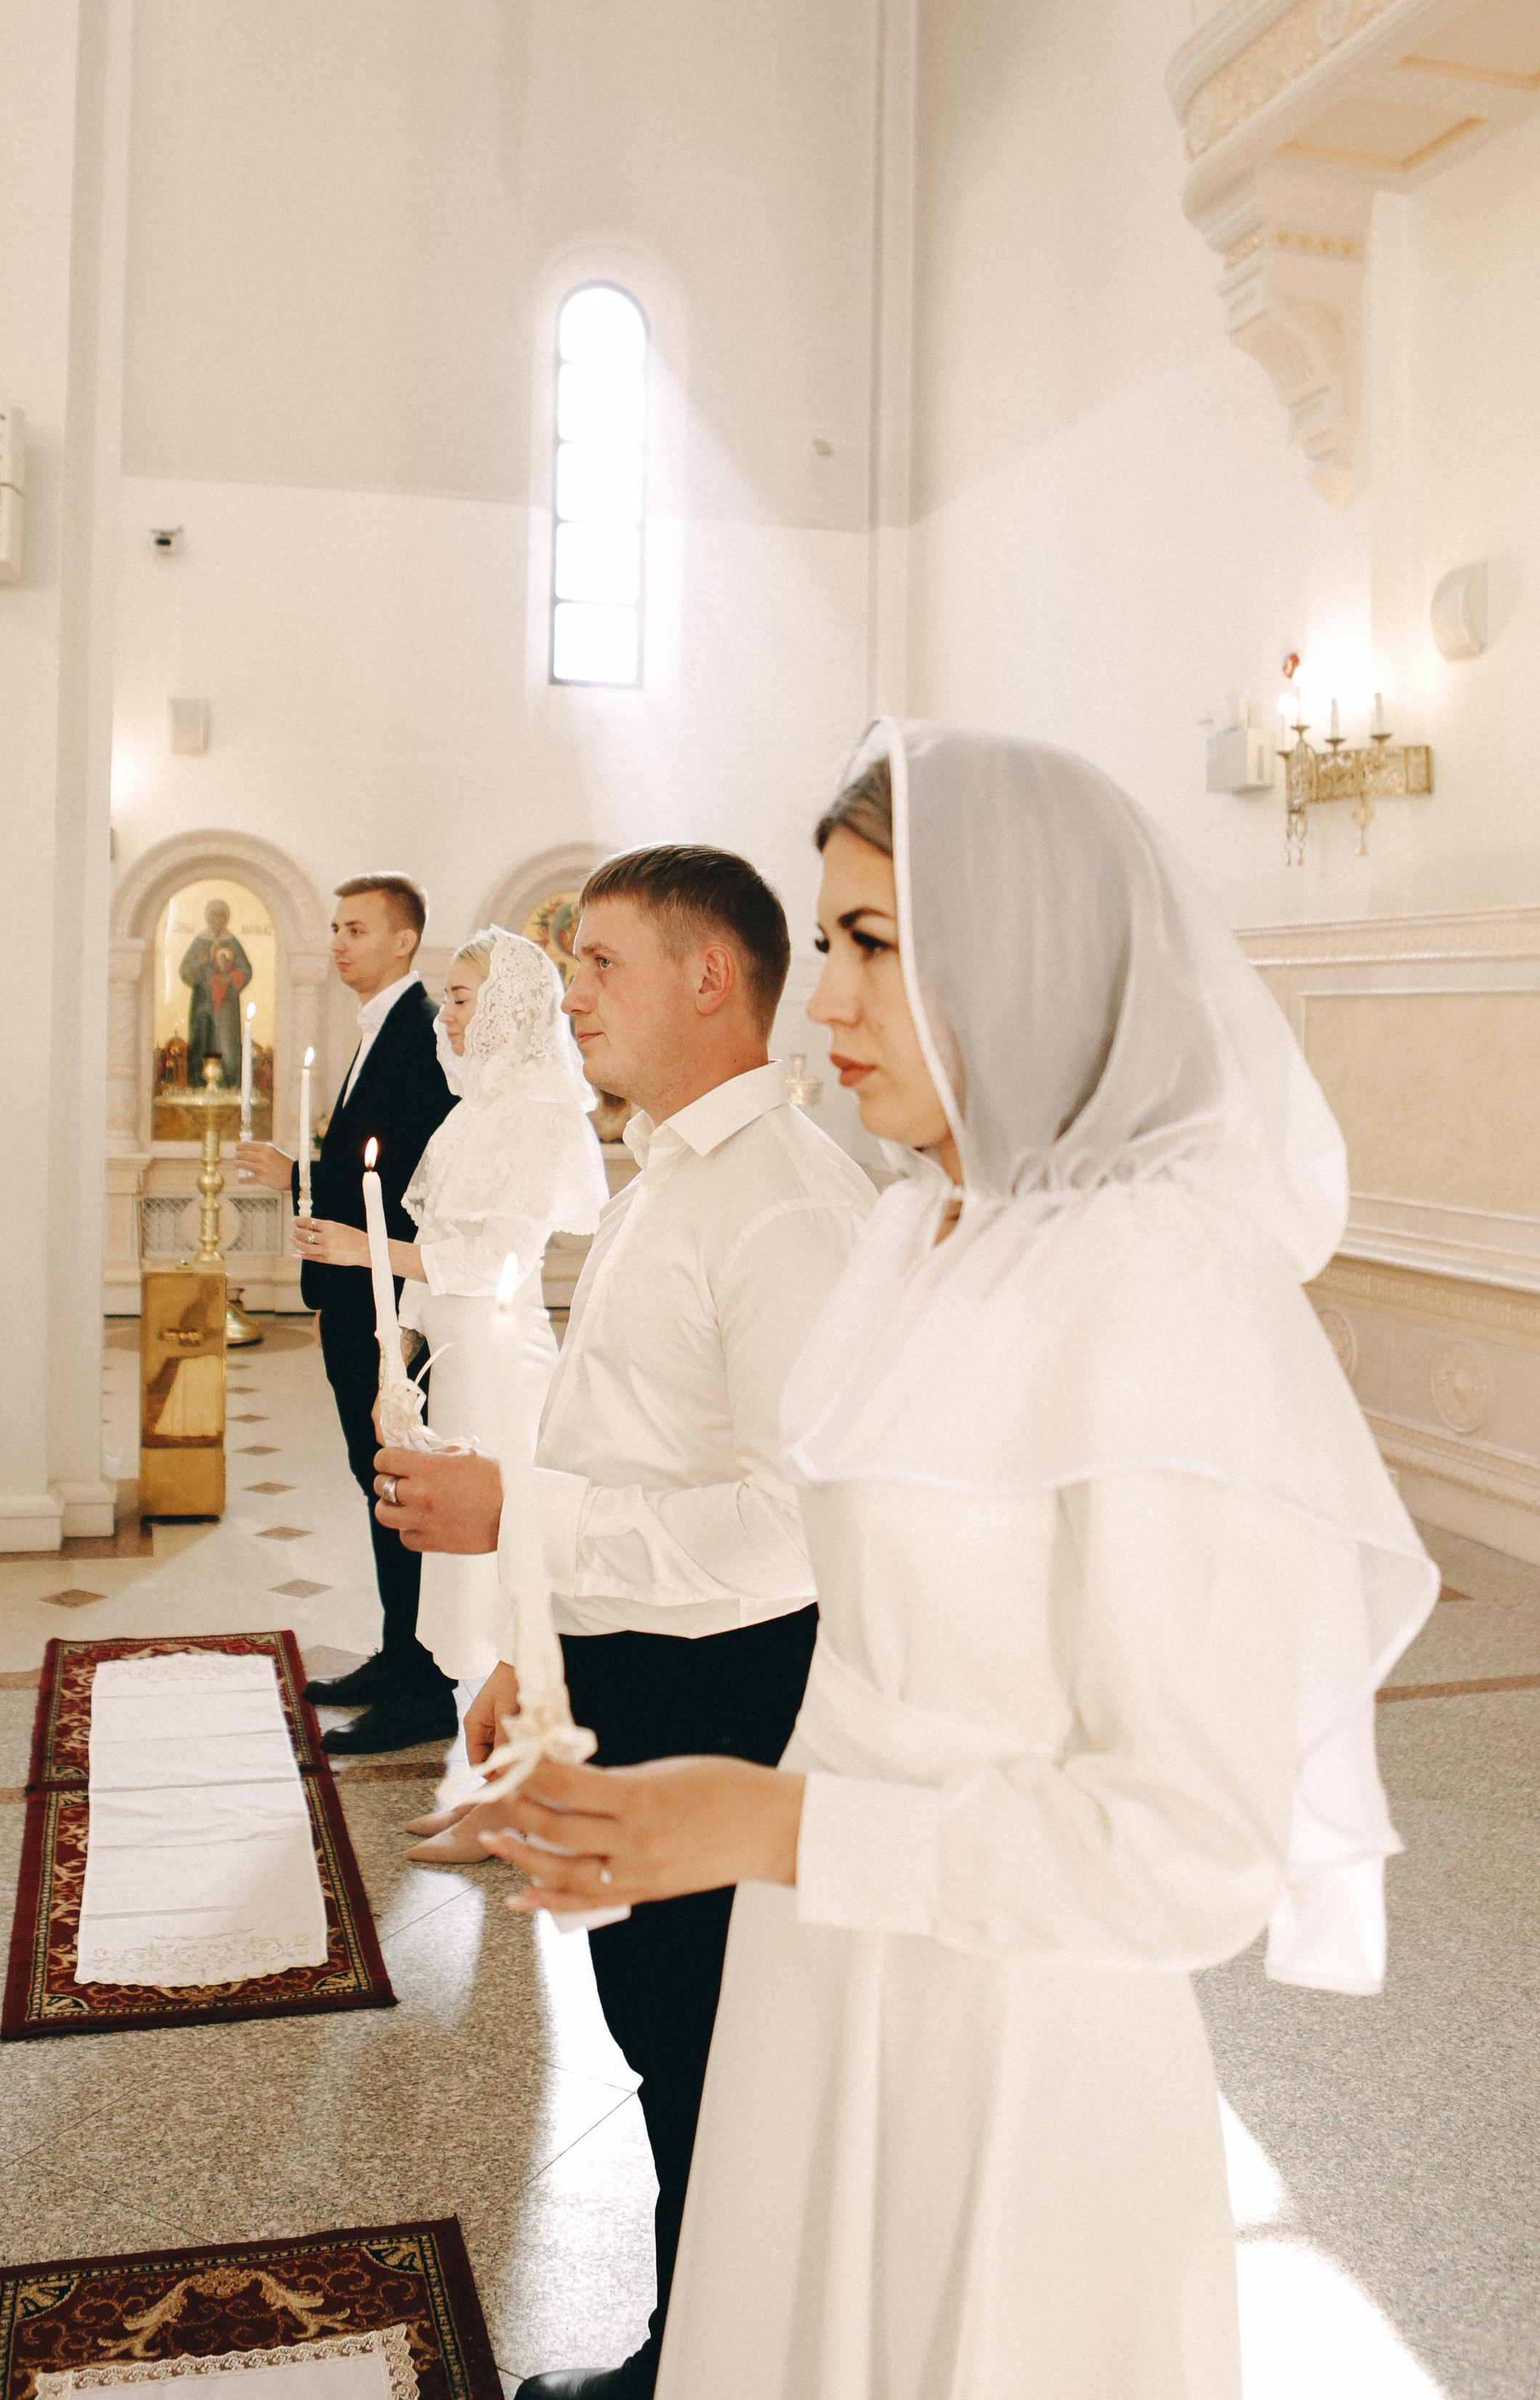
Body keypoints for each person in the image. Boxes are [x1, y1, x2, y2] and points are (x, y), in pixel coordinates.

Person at [481, 723, 1441, 2400]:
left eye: (869, 943)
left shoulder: (1157, 1290)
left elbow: (1192, 1847)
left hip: (1008, 2034)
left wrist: (770, 1819)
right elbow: (861, 1617)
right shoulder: (922, 1233)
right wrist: (581, 1712)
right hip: (825, 1968)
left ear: (1023, 957)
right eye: (824, 937)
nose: (825, 999)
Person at [369, 845, 876, 2399]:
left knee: (708, 2055)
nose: (567, 994)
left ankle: (697, 2367)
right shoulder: (681, 1169)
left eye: (597, 964)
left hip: (729, 1688)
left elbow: (794, 1534)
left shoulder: (785, 1207)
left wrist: (517, 1520)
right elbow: (623, 1445)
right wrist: (534, 1644)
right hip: (639, 1662)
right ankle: (692, 2347)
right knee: (667, 2042)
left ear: (706, 977)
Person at [299, 926, 608, 1861]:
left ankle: (522, 1796)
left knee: (514, 1587)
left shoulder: (537, 1116)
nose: (451, 1015)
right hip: (461, 1366)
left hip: (506, 1371)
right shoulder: (477, 1110)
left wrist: (365, 1249)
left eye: (466, 996)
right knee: (470, 1589)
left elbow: (496, 1260)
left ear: (511, 1006)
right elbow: (440, 1282)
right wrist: (405, 1374)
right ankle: (490, 1792)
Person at [236, 872, 456, 1756]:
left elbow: (408, 1185)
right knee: (378, 1483)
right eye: (333, 927)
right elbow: (363, 1176)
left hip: (386, 1304)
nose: (337, 942)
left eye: (356, 928)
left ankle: (423, 1687)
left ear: (404, 941)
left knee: (400, 1486)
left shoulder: (419, 1034)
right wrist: (296, 1171)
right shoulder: (378, 1029)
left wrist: (396, 1306)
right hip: (353, 1294)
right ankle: (396, 1653)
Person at [180, 897, 252, 1088]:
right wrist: (200, 964)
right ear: (207, 917)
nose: (217, 919)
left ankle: (229, 1086)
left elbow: (246, 970)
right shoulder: (200, 942)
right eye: (213, 914)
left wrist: (230, 978)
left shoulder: (232, 942)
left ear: (227, 918)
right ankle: (198, 1086)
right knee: (201, 1040)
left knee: (227, 1044)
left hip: (227, 1004)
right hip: (202, 1002)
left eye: (221, 915)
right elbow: (185, 970)